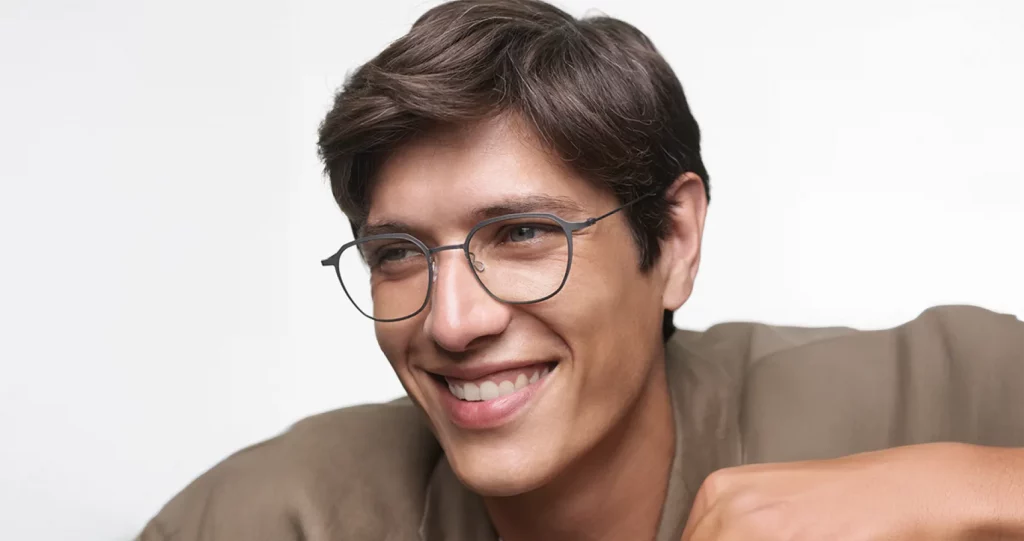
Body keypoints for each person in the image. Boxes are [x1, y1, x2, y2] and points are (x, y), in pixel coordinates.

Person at [138, 0, 1024, 539]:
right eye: (398, 253)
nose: (452, 322)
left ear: (672, 241)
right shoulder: (271, 516)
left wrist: (959, 489)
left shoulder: (945, 389)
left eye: (522, 233)